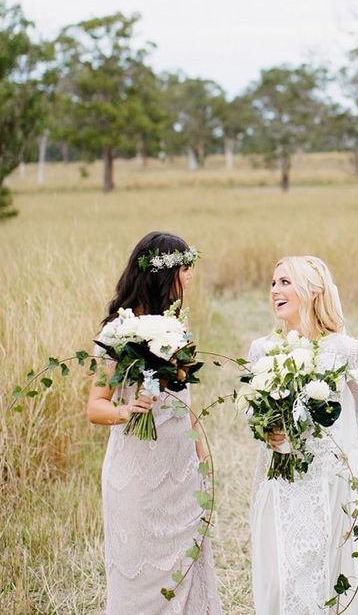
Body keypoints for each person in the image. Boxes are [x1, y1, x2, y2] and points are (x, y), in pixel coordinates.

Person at [247, 255, 358, 614]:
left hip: (331, 476)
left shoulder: (344, 349)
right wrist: (267, 429)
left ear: (312, 292)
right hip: (282, 474)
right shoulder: (261, 349)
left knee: (330, 570)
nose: (275, 291)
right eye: (273, 283)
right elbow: (255, 409)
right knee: (284, 573)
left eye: (286, 282)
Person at [86, 231, 220, 614]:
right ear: (163, 274)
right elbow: (96, 406)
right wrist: (125, 411)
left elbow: (185, 402)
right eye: (184, 268)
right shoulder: (116, 333)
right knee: (137, 573)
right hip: (136, 476)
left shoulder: (177, 329)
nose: (189, 276)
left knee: (186, 570)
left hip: (181, 473)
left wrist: (204, 459)